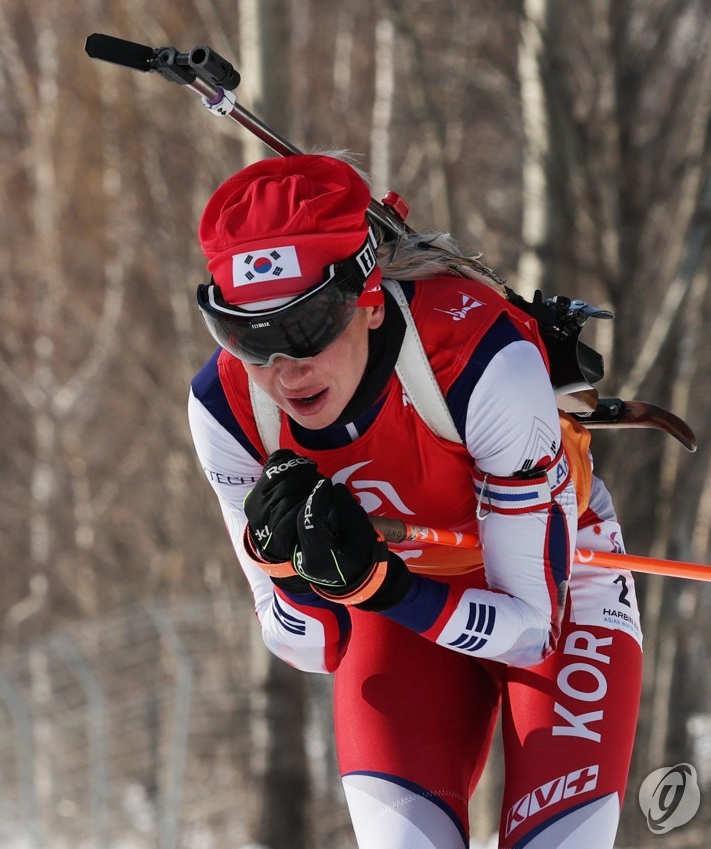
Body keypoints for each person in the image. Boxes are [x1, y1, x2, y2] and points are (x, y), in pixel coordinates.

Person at [187, 153, 643, 849]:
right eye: (249, 337)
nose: (285, 370)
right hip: (400, 604)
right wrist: (289, 568)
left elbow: (529, 630)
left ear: (366, 300)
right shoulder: (227, 406)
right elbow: (307, 643)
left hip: (560, 588)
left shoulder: (481, 360)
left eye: (307, 328)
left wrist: (377, 582)